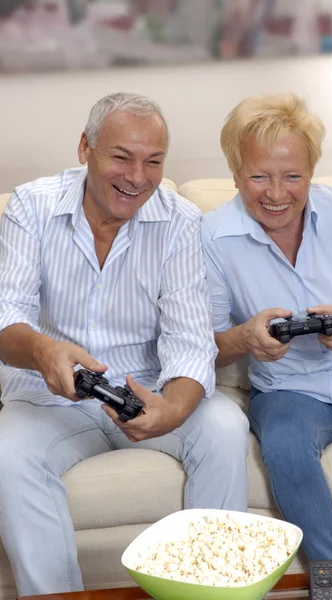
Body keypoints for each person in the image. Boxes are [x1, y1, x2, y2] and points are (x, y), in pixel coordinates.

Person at [0, 92, 249, 596]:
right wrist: (45, 351)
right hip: (52, 398)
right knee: (5, 453)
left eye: (153, 161)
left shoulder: (180, 222)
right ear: (84, 148)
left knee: (226, 425)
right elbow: (7, 322)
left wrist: (173, 409)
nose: (137, 177)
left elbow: (189, 338)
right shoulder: (30, 206)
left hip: (149, 385)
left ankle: (210, 592)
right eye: (121, 156)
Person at [201, 92, 332, 569]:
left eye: (293, 176)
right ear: (234, 173)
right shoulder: (211, 237)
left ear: (312, 170)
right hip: (289, 388)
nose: (276, 194)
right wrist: (246, 338)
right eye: (258, 176)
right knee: (286, 448)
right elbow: (202, 347)